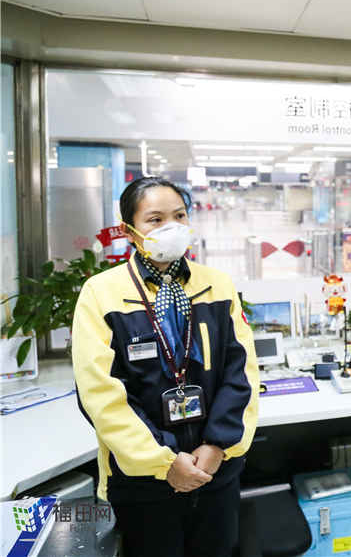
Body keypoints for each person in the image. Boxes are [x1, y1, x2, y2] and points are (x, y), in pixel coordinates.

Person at [72, 177, 260, 557]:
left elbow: (241, 372)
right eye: (155, 219)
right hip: (144, 484)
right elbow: (100, 393)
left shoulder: (217, 285)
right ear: (129, 231)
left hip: (215, 474)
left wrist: (217, 445)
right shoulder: (101, 293)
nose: (171, 227)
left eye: (179, 216)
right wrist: (165, 462)